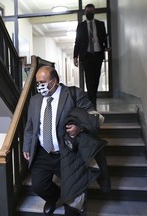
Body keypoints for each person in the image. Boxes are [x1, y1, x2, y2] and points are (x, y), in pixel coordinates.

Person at [22, 66, 109, 216]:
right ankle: (55, 198)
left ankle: (72, 205)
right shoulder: (35, 100)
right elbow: (30, 126)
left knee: (74, 195)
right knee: (38, 186)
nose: (39, 86)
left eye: (43, 82)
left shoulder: (73, 94)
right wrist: (26, 146)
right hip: (43, 152)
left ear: (55, 81)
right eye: (37, 82)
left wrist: (79, 127)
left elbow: (93, 116)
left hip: (68, 152)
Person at [73, 3, 108, 108]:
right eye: (88, 12)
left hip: (97, 54)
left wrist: (107, 46)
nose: (89, 13)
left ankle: (93, 97)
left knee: (96, 78)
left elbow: (105, 39)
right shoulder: (81, 26)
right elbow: (77, 41)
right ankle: (92, 101)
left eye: (91, 11)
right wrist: (75, 56)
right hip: (86, 55)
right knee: (89, 79)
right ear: (85, 12)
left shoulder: (100, 24)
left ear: (94, 12)